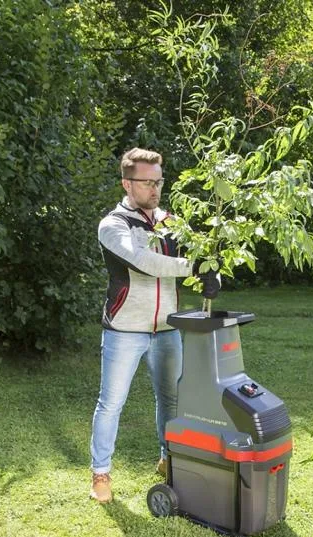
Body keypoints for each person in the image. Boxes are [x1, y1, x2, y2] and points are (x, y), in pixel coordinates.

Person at [88, 147, 218, 503]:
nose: (155, 189)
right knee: (111, 403)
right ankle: (101, 475)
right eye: (147, 182)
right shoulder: (113, 225)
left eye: (159, 181)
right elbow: (145, 262)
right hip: (125, 329)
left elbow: (201, 252)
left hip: (166, 327)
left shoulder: (170, 221)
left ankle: (167, 459)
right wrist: (193, 267)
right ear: (127, 184)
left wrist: (210, 268)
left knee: (170, 398)